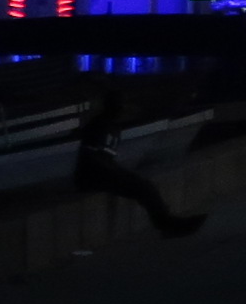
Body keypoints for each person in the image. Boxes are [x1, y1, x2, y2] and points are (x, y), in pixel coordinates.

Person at [77, 88, 206, 238]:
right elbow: (93, 158)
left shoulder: (111, 126)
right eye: (119, 106)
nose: (121, 110)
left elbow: (105, 159)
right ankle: (166, 224)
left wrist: (119, 172)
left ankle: (166, 222)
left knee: (144, 186)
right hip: (91, 176)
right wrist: (118, 173)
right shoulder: (99, 125)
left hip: (101, 173)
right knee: (143, 187)